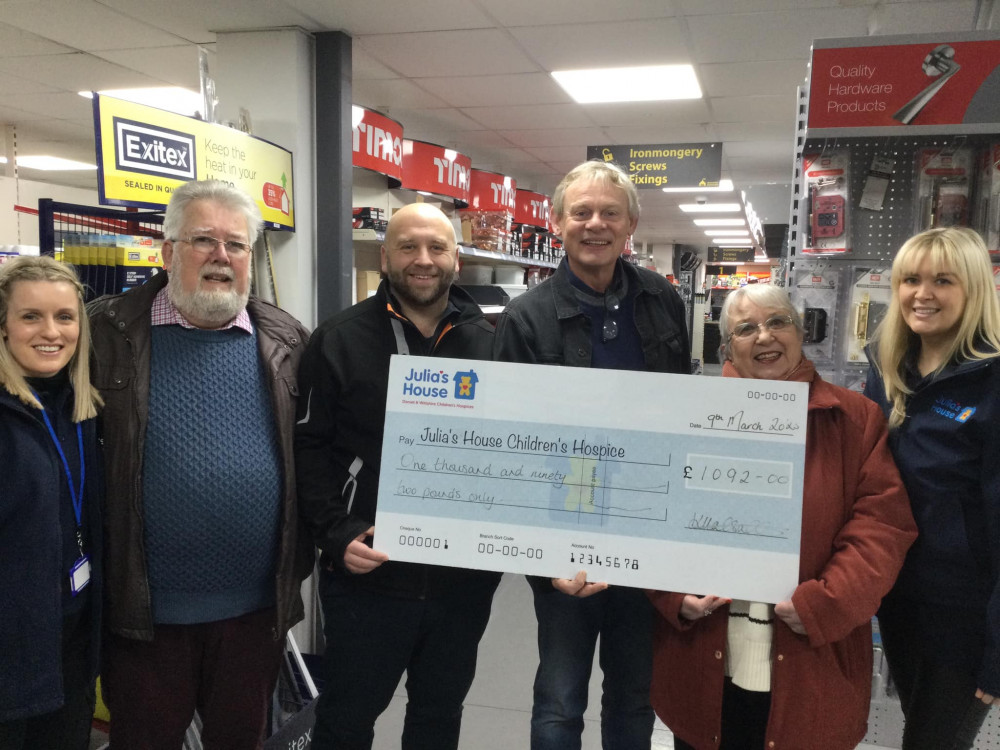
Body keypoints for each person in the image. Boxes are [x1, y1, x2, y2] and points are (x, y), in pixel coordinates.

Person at [88, 180, 313, 750]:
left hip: (254, 613)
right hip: (144, 614)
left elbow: (319, 454)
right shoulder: (103, 333)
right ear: (166, 252)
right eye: (203, 241)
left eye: (236, 245)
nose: (221, 257)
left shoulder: (286, 339)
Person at [649, 283, 916, 750]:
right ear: (728, 347)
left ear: (800, 331)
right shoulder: (688, 415)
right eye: (746, 329)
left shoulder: (856, 420)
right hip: (704, 665)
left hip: (811, 669)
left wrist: (826, 604)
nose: (765, 337)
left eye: (778, 322)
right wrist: (673, 595)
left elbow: (882, 529)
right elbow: (653, 512)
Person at [493, 159, 691, 750]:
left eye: (610, 212)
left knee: (636, 693)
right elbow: (512, 444)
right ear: (557, 223)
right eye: (581, 212)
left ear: (631, 223)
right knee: (559, 699)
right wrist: (541, 559)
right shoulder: (526, 317)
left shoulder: (661, 300)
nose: (595, 224)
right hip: (564, 535)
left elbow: (679, 413)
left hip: (642, 526)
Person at [296, 202, 502, 750]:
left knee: (438, 716)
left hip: (462, 583)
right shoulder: (338, 339)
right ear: (385, 256)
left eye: (436, 247)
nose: (423, 260)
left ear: (456, 258)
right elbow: (309, 449)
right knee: (347, 718)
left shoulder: (492, 344)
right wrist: (336, 534)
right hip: (371, 577)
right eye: (408, 246)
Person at [866, 226, 1000, 750]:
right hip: (899, 598)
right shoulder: (888, 369)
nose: (922, 294)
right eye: (911, 280)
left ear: (972, 290)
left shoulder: (992, 382)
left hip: (965, 616)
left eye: (943, 281)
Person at [0, 256, 104, 750]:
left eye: (64, 317)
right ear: (4, 327)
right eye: (30, 316)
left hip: (71, 649)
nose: (51, 331)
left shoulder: (81, 409)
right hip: (10, 660)